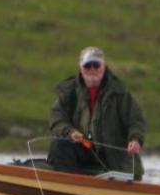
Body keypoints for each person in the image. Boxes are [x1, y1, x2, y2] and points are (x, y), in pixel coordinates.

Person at [47, 46, 146, 180]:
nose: (92, 69)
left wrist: (135, 140)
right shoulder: (69, 92)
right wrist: (69, 132)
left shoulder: (120, 93)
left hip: (113, 159)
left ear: (103, 66)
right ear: (81, 68)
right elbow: (57, 117)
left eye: (96, 65)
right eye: (88, 65)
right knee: (59, 145)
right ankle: (70, 187)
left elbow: (136, 120)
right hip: (84, 151)